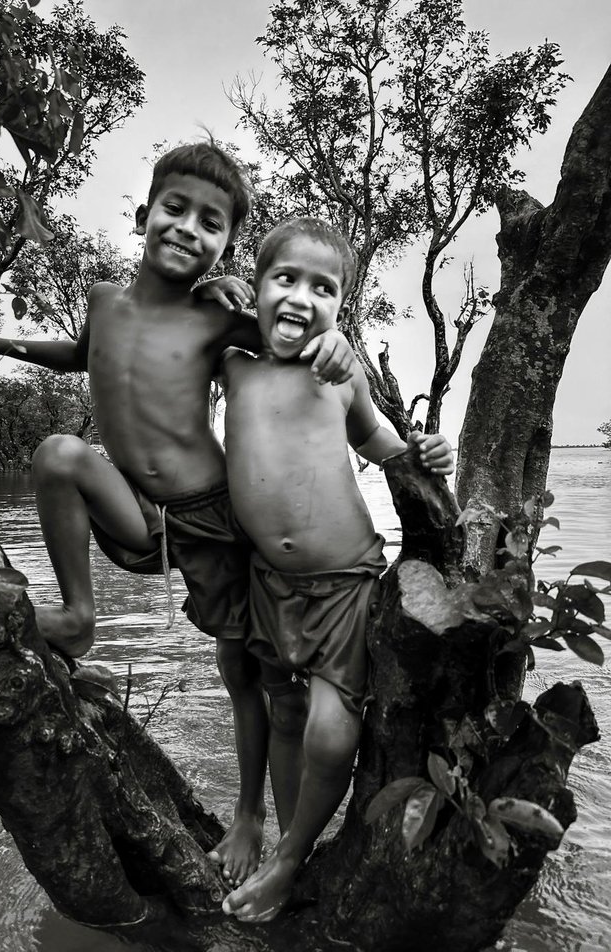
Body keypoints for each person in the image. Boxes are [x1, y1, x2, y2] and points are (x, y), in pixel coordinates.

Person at [0, 142, 359, 888]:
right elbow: (79, 354)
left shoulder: (216, 318)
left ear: (225, 246)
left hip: (212, 516)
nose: (187, 228)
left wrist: (330, 334)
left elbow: (293, 333)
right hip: (140, 513)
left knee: (249, 673)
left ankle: (253, 822)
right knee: (57, 454)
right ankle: (79, 615)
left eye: (210, 223)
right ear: (144, 215)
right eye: (175, 209)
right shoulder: (103, 299)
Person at [220, 216, 454, 923]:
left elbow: (387, 449)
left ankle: (288, 861)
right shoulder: (234, 365)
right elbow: (193, 319)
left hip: (346, 579)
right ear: (256, 289)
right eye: (284, 279)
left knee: (329, 724)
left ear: (342, 306)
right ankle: (290, 845)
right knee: (284, 712)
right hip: (266, 582)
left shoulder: (341, 371)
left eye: (323, 288)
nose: (301, 297)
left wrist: (429, 453)